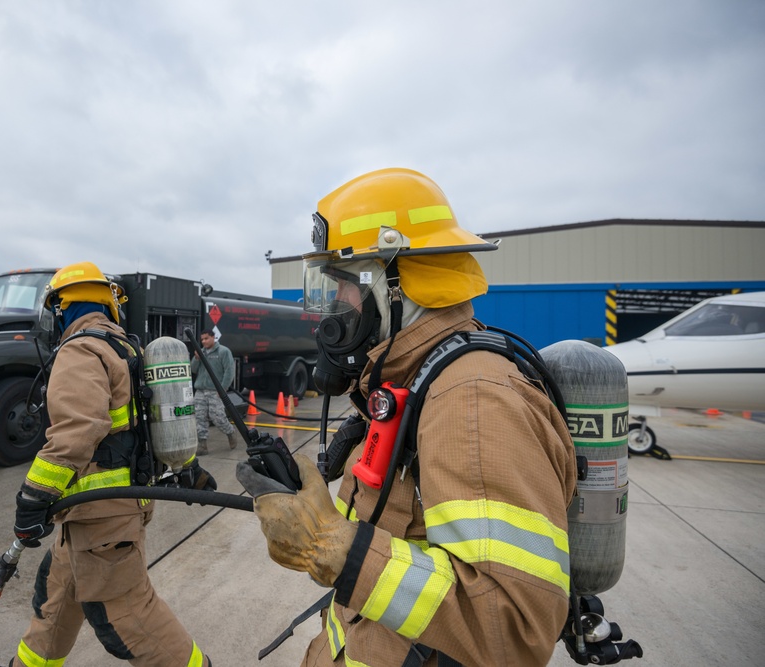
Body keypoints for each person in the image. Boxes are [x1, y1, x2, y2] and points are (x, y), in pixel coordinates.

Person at [237, 168, 576, 666]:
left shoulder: (472, 402)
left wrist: (330, 545)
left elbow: (512, 630)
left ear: (399, 286)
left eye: (346, 287)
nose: (337, 307)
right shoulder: (412, 382)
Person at [0, 262, 212, 667]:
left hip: (103, 522)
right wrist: (187, 466)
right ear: (109, 305)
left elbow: (76, 432)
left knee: (128, 619)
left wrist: (33, 497)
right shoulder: (126, 349)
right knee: (53, 604)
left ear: (60, 309)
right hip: (97, 516)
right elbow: (156, 423)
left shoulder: (80, 350)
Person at [190, 328, 238, 455]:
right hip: (200, 390)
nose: (204, 342)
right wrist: (196, 358)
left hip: (214, 391)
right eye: (202, 340)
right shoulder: (201, 353)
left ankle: (230, 432)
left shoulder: (223, 352)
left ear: (213, 337)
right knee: (200, 417)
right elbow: (193, 370)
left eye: (206, 338)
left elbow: (229, 371)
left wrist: (222, 389)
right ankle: (202, 445)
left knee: (217, 417)